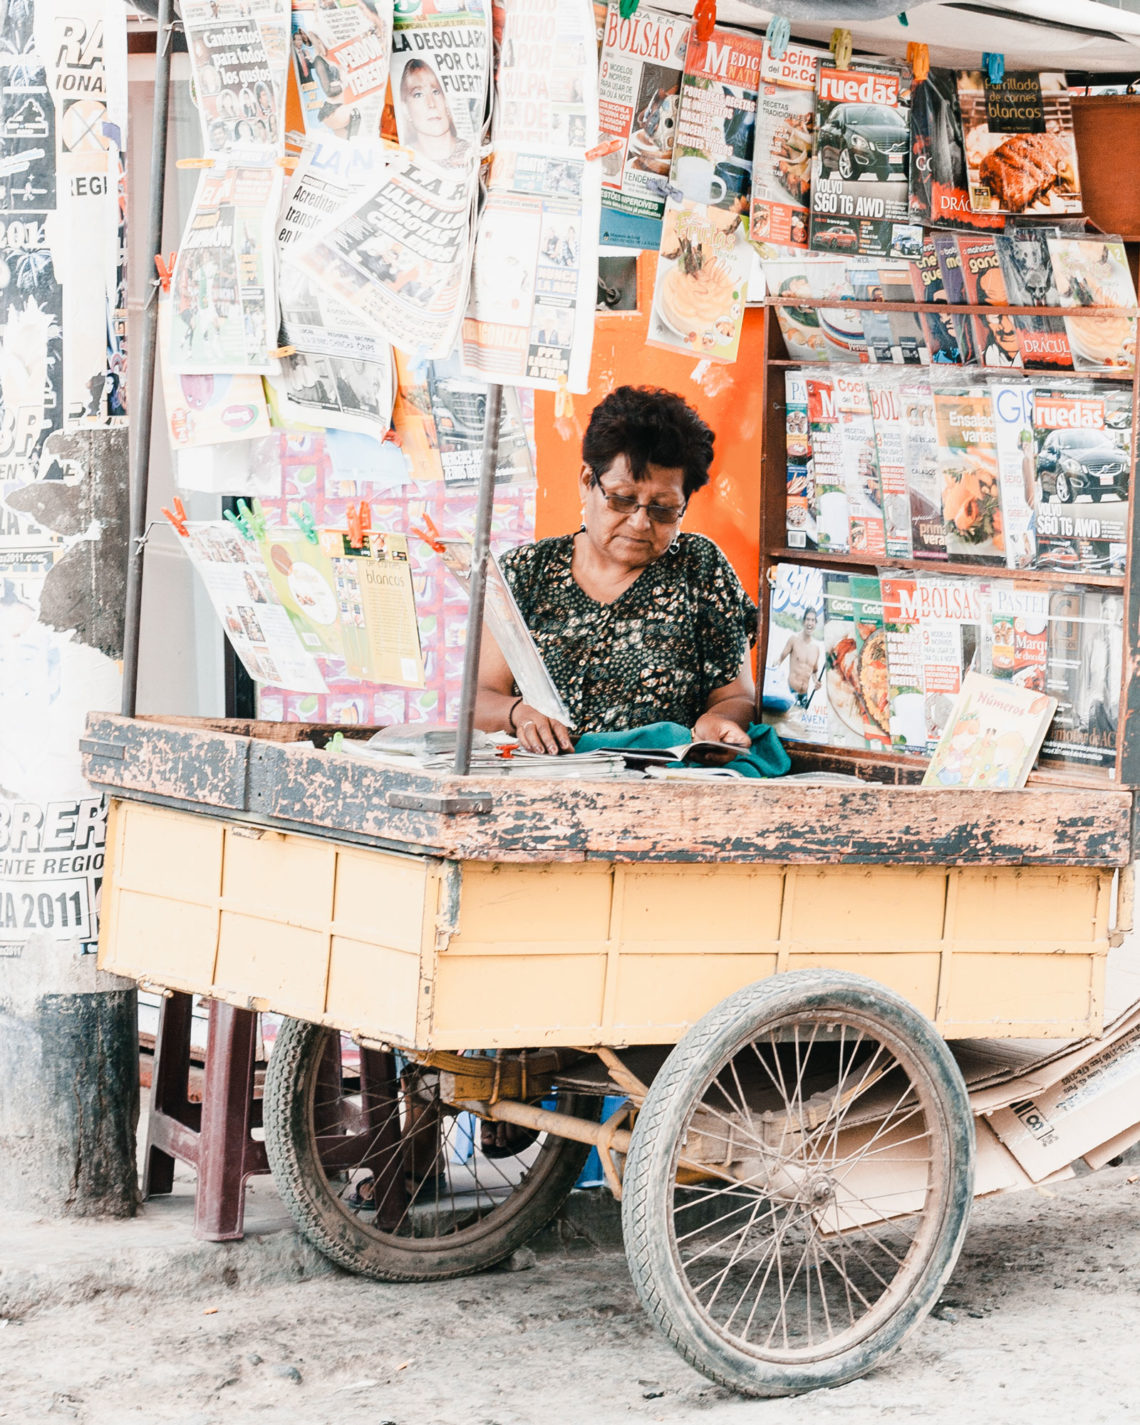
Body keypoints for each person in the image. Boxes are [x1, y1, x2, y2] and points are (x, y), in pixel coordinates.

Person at [475, 386, 757, 754]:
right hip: (540, 786)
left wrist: (718, 721)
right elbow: (477, 700)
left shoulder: (700, 567)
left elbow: (737, 697)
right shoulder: (523, 573)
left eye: (664, 509)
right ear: (586, 482)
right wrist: (518, 714)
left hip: (662, 789)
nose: (640, 523)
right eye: (622, 499)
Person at [397, 57, 471, 168]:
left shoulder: (472, 152)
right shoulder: (400, 160)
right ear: (405, 109)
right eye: (418, 94)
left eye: (436, 91)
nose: (431, 104)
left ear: (445, 101)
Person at [775, 608, 823, 708]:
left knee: (800, 723)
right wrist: (774, 669)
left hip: (805, 696)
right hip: (790, 693)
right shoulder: (794, 640)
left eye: (813, 620)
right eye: (808, 619)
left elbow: (814, 672)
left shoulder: (816, 648)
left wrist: (817, 682)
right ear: (803, 622)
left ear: (815, 623)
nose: (810, 623)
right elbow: (779, 660)